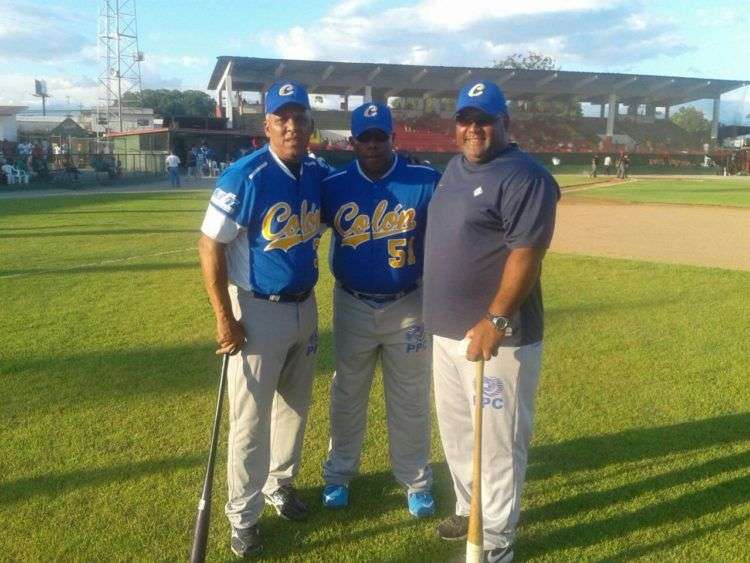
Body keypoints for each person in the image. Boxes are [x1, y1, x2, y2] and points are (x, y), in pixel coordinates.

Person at [423, 81, 559, 562]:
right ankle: (468, 509)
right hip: (446, 333)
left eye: (485, 119)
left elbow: (527, 255)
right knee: (458, 432)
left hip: (499, 339)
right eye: (466, 119)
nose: (474, 128)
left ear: (506, 124)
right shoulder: (454, 169)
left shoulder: (526, 177)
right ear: (455, 125)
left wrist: (495, 321)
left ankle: (496, 539)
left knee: (498, 445)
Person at [197, 80, 331, 558]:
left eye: (301, 119)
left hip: (306, 305)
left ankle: (280, 485)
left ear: (311, 126)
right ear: (268, 125)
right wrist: (223, 316)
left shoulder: (316, 172)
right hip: (256, 310)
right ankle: (243, 515)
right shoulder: (244, 175)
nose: (293, 126)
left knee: (294, 409)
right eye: (283, 118)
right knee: (250, 422)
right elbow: (210, 245)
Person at [319, 103, 440, 517]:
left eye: (379, 136)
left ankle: (415, 480)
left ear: (394, 138)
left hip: (408, 303)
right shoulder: (334, 184)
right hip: (351, 302)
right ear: (352, 141)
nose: (372, 145)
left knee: (409, 397)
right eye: (364, 138)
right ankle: (338, 475)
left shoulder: (424, 180)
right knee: (347, 393)